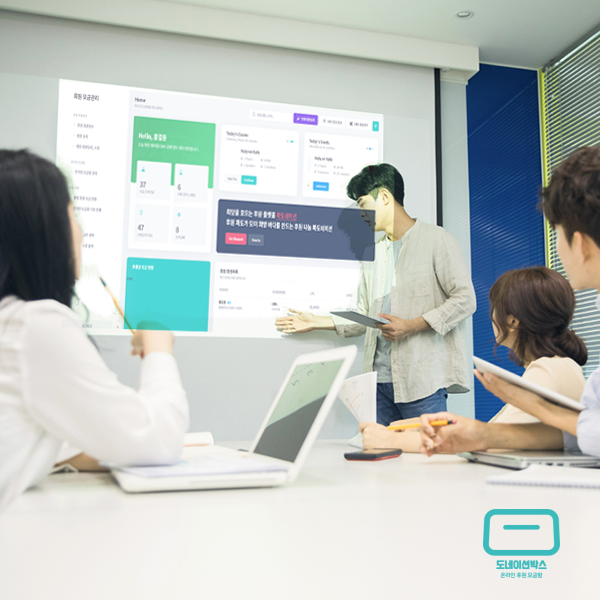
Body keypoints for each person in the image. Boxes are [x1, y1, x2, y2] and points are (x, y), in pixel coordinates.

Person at [0, 150, 189, 511]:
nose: (81, 230)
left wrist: (70, 448)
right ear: (41, 229)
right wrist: (159, 349)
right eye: (72, 213)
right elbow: (160, 440)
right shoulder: (32, 326)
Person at [420, 145, 600, 457]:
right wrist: (484, 432)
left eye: (557, 233)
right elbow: (584, 434)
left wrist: (535, 406)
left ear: (580, 244)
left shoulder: (547, 369)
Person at [275, 164, 476, 425]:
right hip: (378, 384)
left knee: (426, 452)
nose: (361, 214)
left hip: (421, 383)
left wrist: (412, 325)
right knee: (379, 451)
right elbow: (364, 316)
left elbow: (465, 299)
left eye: (362, 204)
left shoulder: (436, 239)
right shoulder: (373, 254)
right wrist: (317, 321)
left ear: (384, 196)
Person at [361, 267, 587, 453]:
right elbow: (495, 434)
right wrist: (415, 428)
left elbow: (487, 442)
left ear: (512, 321)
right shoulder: (560, 365)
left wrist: (389, 440)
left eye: (495, 308)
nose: (492, 315)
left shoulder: (546, 371)